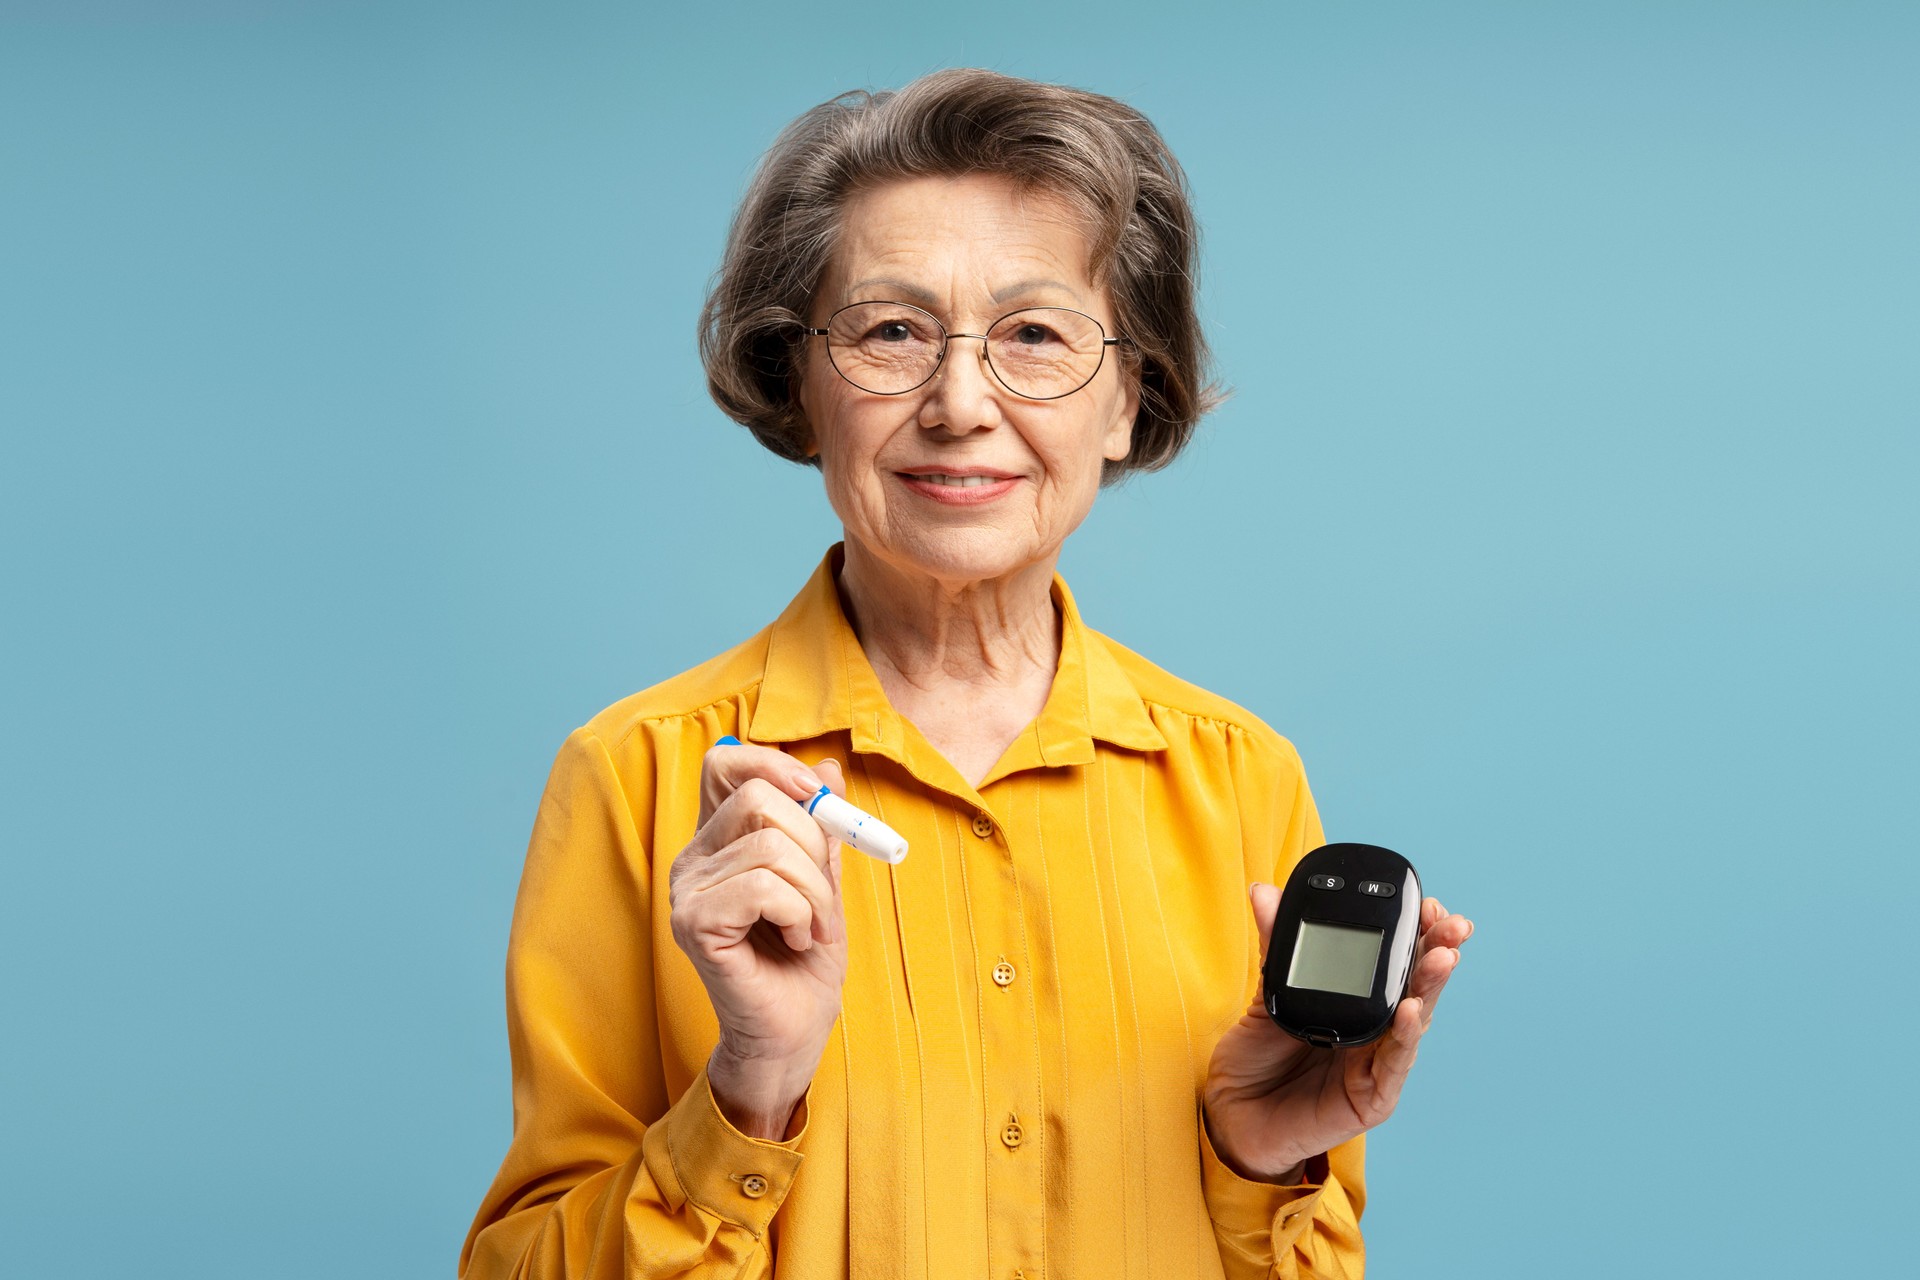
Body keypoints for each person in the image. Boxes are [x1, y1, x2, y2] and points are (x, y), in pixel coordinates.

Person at [459, 67, 1473, 1280]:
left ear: (1124, 401)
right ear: (803, 383)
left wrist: (1260, 1165)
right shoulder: (637, 775)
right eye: (891, 331)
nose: (957, 404)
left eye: (1036, 335)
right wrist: (746, 1092)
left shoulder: (1247, 778)